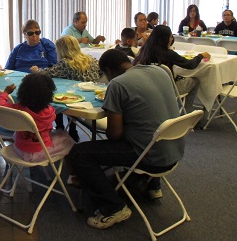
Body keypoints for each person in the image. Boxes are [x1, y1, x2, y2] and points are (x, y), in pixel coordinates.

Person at [68, 49, 185, 230]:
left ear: (109, 71)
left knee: (79, 153)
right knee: (150, 129)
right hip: (174, 150)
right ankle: (153, 186)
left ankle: (113, 207)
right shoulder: (160, 71)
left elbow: (115, 135)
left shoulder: (118, 84)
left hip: (149, 157)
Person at [31, 35, 101, 141]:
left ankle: (60, 128)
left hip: (75, 101)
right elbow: (100, 72)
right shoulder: (90, 59)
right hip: (93, 98)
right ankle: (72, 129)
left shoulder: (66, 63)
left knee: (56, 98)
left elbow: (47, 73)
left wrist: (36, 69)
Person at [0, 73, 75, 162]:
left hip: (19, 148)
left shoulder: (18, 108)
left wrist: (5, 92)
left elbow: (0, 105)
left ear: (22, 91)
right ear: (49, 94)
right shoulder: (49, 112)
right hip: (42, 150)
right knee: (66, 139)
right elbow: (53, 116)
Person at [134, 25, 211, 113]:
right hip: (167, 89)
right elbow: (190, 65)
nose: (172, 39)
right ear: (166, 39)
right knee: (195, 81)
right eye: (170, 37)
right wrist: (200, 56)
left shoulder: (144, 51)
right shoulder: (168, 54)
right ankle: (186, 112)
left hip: (147, 87)